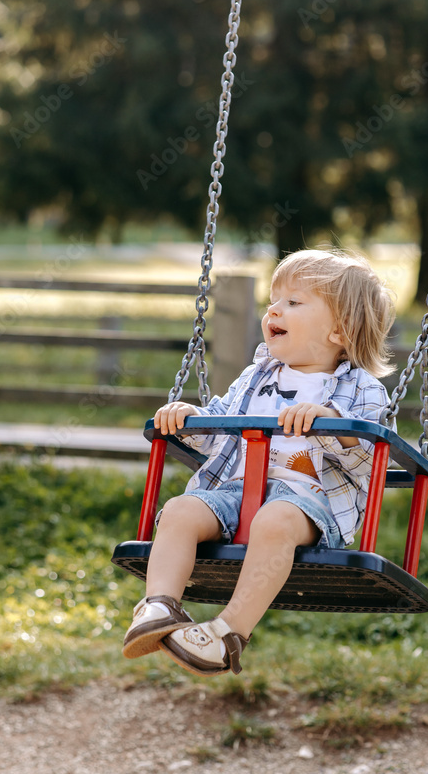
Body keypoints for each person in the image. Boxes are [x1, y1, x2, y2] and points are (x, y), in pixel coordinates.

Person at [122, 248, 395, 676]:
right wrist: (189, 418)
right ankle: (159, 607)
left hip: (308, 500)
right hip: (235, 489)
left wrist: (334, 422)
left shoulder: (361, 389)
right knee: (178, 511)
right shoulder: (257, 375)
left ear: (339, 331)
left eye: (293, 302)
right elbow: (219, 427)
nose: (274, 309)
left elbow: (368, 458)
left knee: (274, 521)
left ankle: (228, 634)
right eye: (274, 299)